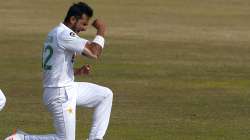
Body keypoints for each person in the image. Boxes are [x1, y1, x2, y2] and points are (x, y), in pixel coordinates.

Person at [5, 2, 113, 140]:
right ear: (73, 19)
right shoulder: (64, 35)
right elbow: (94, 52)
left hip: (66, 88)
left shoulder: (54, 32)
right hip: (59, 95)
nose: (84, 28)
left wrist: (76, 71)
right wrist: (101, 29)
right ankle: (20, 139)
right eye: (83, 24)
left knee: (105, 95)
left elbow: (55, 66)